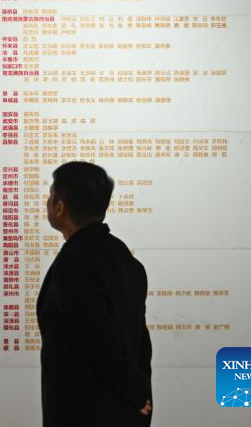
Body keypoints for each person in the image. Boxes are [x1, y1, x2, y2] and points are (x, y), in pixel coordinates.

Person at [37, 161, 153, 426]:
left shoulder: (74, 263)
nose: (48, 202)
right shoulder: (123, 257)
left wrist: (136, 393)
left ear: (60, 207)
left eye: (51, 194)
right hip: (124, 411)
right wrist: (140, 393)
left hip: (88, 412)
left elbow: (100, 340)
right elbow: (140, 342)